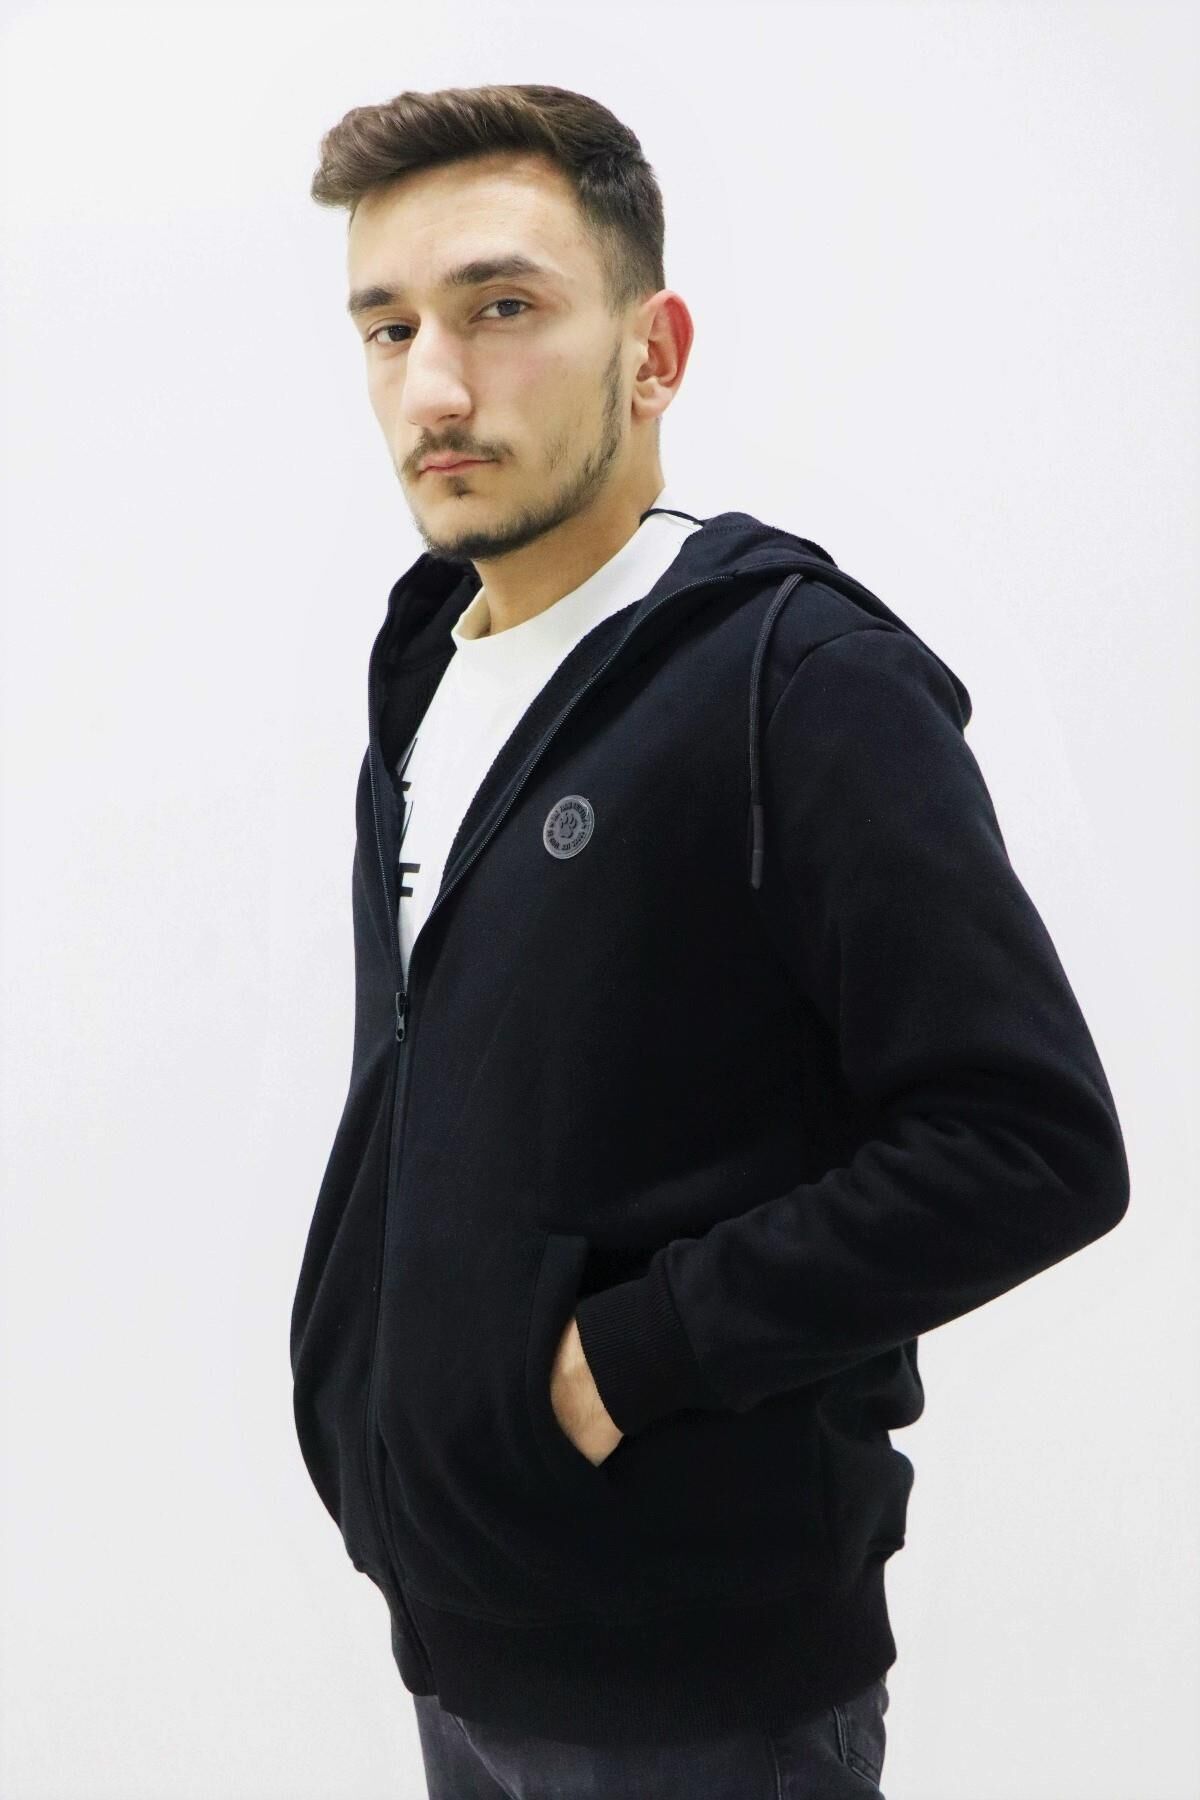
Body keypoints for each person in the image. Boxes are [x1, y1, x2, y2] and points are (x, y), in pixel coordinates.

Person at [289, 82, 1130, 1800]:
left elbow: (1031, 1144)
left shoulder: (797, 682)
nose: (433, 387)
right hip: (463, 1643)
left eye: (501, 307)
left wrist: (628, 1359)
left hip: (701, 1700)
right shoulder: (429, 677)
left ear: (652, 353)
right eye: (391, 327)